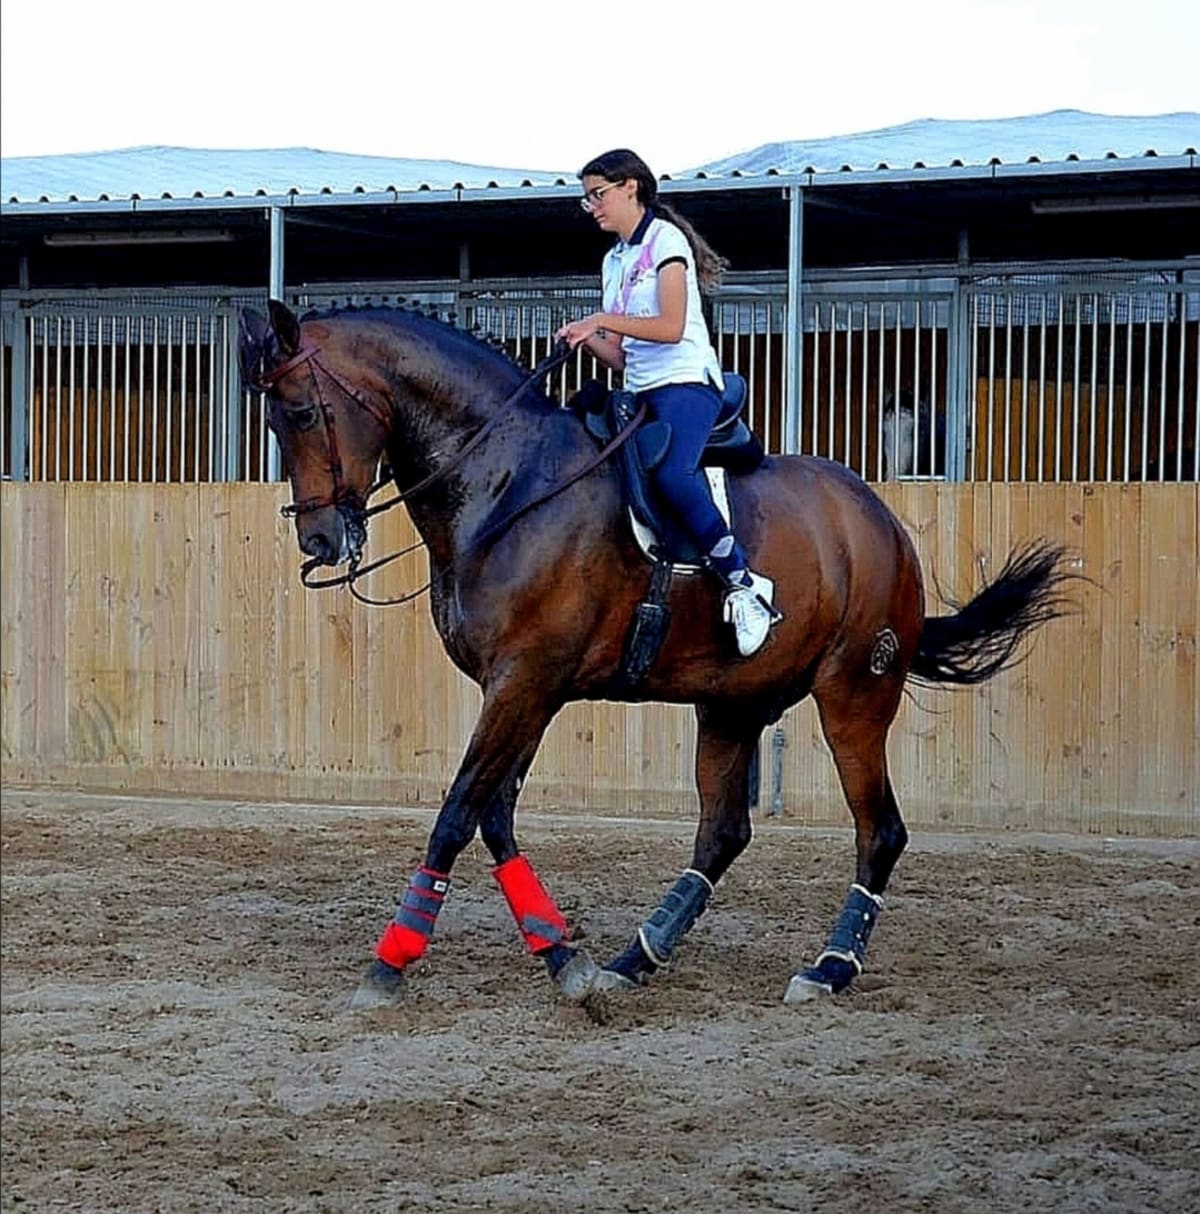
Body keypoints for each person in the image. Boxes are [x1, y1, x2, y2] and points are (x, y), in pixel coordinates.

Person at [555, 148, 779, 658]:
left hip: (686, 384)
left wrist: (600, 320)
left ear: (629, 186)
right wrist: (585, 338)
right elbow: (621, 356)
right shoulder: (614, 260)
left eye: (598, 195)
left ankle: (744, 584)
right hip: (639, 388)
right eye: (586, 199)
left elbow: (670, 327)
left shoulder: (665, 241)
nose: (592, 206)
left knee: (674, 474)